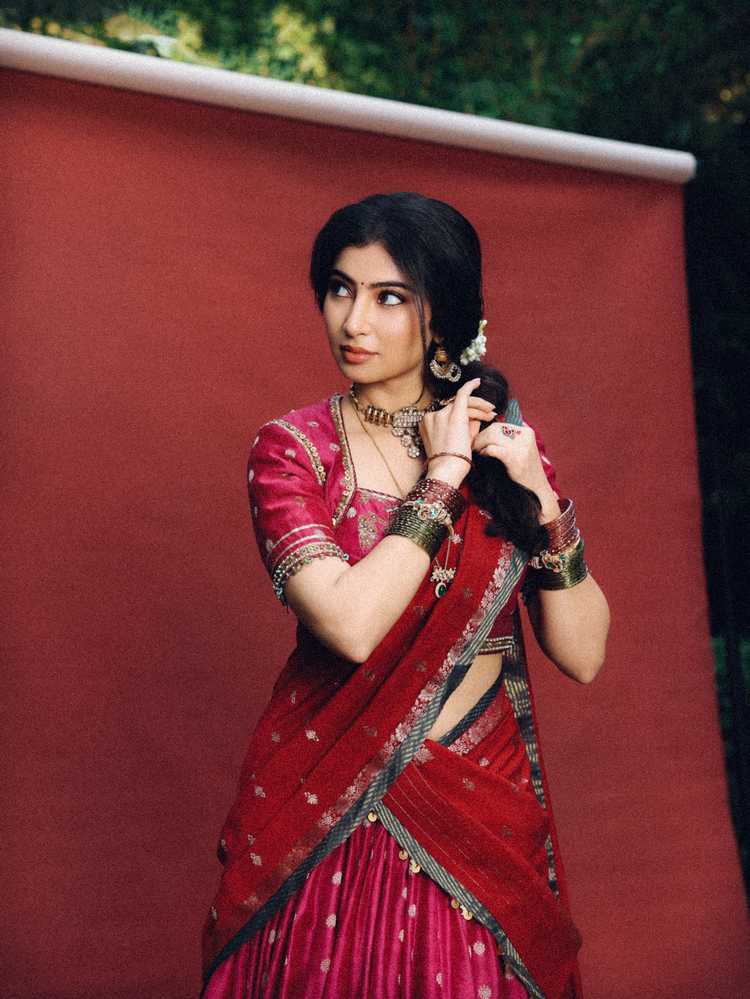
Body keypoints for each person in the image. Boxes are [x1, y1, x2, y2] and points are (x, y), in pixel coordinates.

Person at [201, 192, 610, 999]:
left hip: (481, 797)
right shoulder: (294, 451)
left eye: (389, 297)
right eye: (339, 289)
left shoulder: (501, 442)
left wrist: (541, 497)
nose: (354, 320)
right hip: (331, 803)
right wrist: (444, 474)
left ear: (444, 316)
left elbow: (584, 653)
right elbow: (351, 624)